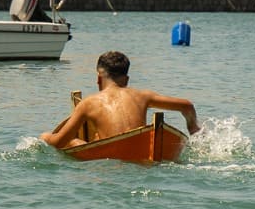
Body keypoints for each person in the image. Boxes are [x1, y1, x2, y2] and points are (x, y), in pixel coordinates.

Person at [42, 50, 200, 148]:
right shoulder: (143, 96)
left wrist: (46, 137)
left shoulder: (88, 103)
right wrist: (194, 130)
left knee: (73, 142)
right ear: (127, 79)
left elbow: (59, 142)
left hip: (112, 163)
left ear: (99, 78)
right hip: (142, 155)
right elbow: (187, 106)